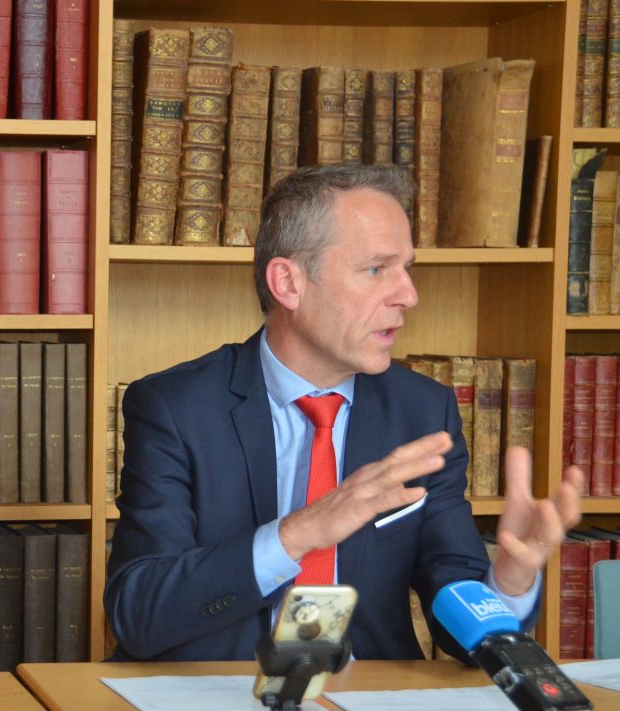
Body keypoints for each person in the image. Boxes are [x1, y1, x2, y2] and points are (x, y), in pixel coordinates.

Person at [105, 163, 583, 662]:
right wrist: (300, 533)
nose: (409, 295)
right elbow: (138, 615)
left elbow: (455, 604)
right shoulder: (176, 407)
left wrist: (507, 581)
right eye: (377, 269)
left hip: (369, 707)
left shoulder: (422, 412)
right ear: (288, 283)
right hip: (216, 706)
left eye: (408, 268)